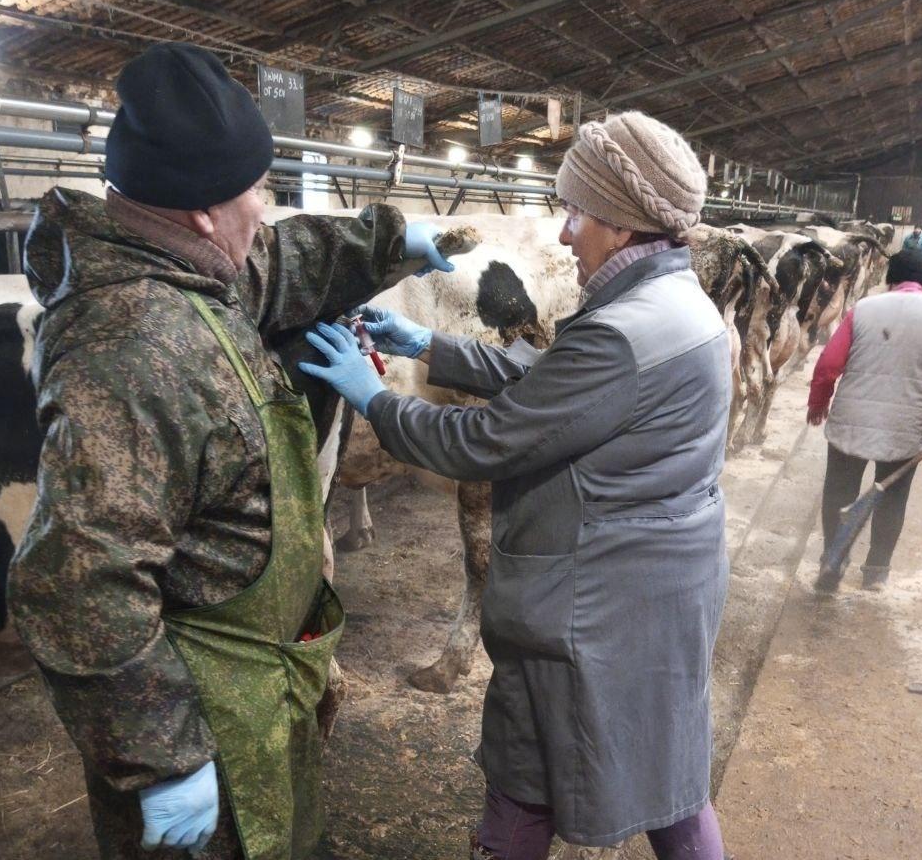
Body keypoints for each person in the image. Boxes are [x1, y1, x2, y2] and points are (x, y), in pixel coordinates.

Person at [7, 42, 453, 860]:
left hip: (252, 689)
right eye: (259, 188)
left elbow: (277, 266)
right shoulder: (138, 349)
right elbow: (77, 582)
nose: (266, 205)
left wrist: (390, 242)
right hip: (197, 712)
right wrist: (163, 756)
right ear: (205, 212)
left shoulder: (182, 270)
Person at [301, 112, 733, 860]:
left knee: (523, 775)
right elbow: (557, 385)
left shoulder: (618, 332)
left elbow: (485, 438)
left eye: (577, 213)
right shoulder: (678, 306)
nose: (565, 234)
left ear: (624, 228)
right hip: (662, 594)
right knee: (675, 781)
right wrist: (430, 347)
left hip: (587, 612)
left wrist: (372, 399)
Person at [808, 248, 922, 592]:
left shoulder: (863, 309)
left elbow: (827, 366)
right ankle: (876, 573)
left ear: (891, 278)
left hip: (851, 422)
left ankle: (831, 562)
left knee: (838, 493)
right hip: (905, 429)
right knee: (893, 499)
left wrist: (818, 404)